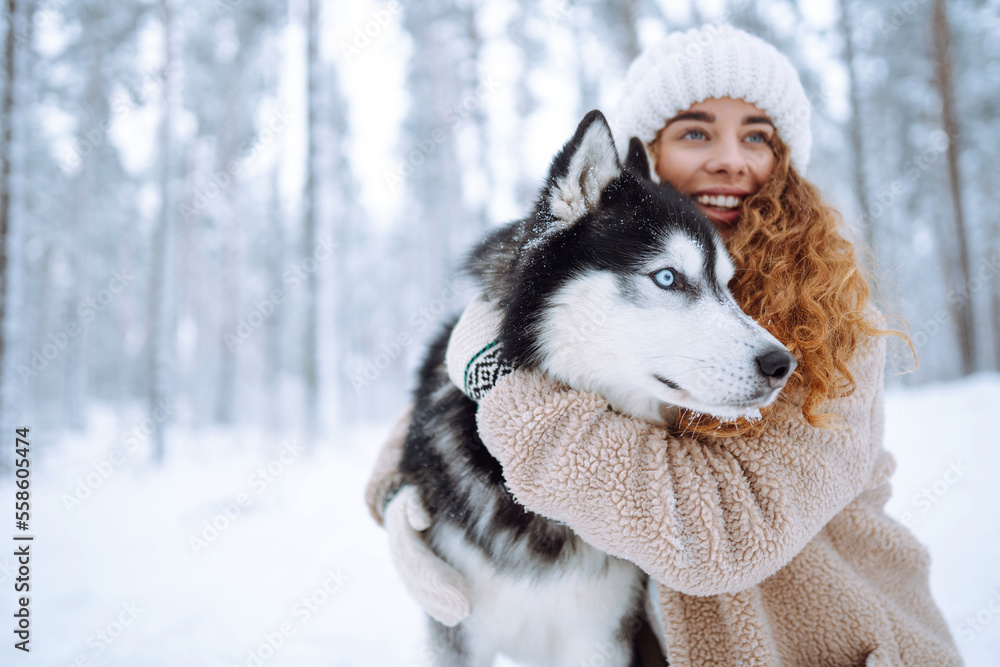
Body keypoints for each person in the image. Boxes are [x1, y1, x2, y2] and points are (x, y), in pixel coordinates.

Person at [366, 24, 962, 666]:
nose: (732, 158)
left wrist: (497, 380)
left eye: (757, 135)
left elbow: (724, 537)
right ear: (645, 158)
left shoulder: (833, 322)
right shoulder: (606, 278)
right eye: (697, 132)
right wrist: (397, 488)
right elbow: (434, 415)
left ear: (784, 159)